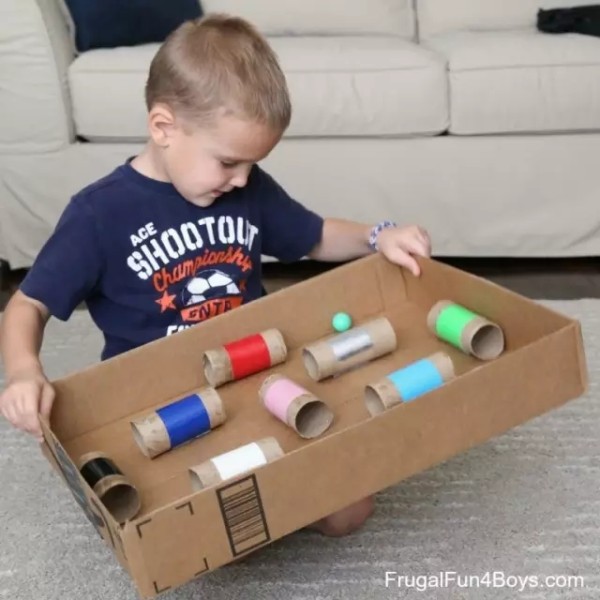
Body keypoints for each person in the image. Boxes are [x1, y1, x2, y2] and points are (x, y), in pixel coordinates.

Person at [0, 14, 431, 537]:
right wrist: (24, 372)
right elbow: (28, 305)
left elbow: (313, 235)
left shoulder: (244, 186)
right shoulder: (98, 215)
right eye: (228, 162)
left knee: (349, 514)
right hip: (159, 399)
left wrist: (376, 234)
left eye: (252, 164)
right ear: (164, 128)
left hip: (255, 378)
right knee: (192, 533)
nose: (242, 179)